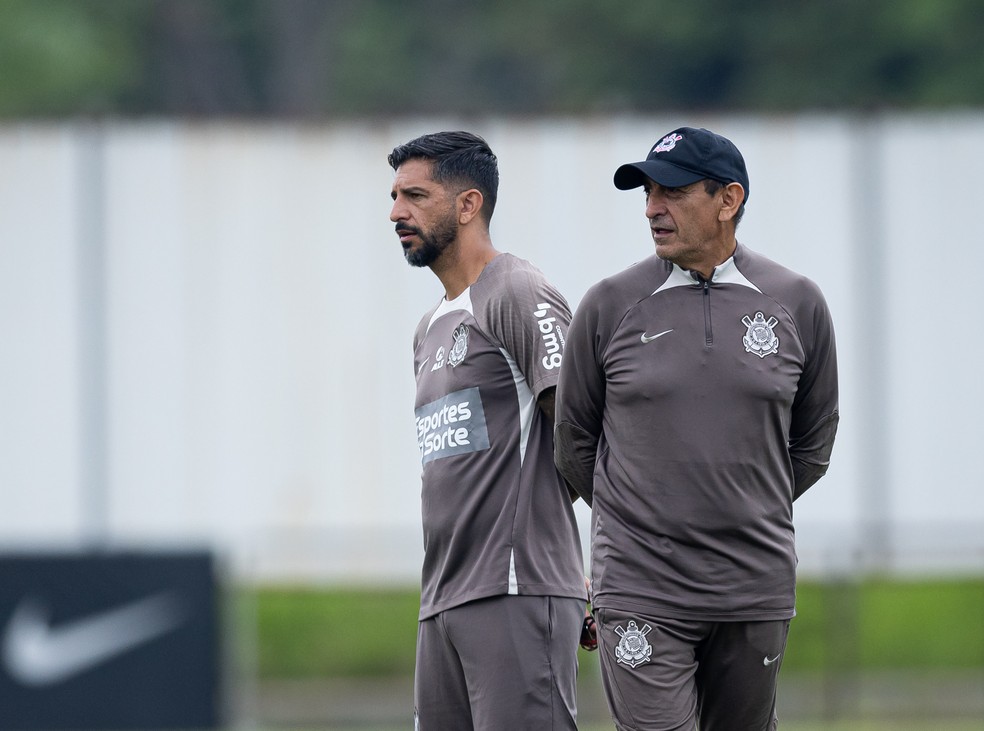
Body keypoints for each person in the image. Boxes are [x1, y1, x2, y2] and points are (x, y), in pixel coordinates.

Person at [554, 126, 839, 731]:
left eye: (673, 192)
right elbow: (574, 444)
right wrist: (643, 523)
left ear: (728, 201)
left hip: (753, 587)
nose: (654, 207)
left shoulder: (798, 303)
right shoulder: (608, 306)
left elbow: (812, 446)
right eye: (648, 192)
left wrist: (738, 506)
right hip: (640, 588)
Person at [388, 130, 589, 731]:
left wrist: (594, 563)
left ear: (468, 205)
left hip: (515, 588)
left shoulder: (517, 292)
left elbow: (584, 436)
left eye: (416, 196)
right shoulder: (428, 328)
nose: (397, 212)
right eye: (395, 196)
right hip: (442, 599)